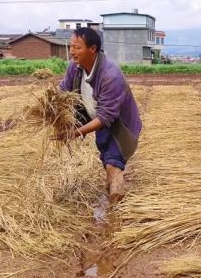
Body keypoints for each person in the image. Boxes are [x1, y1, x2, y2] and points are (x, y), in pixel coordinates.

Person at [59, 27, 142, 204]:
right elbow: (63, 91)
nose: (72, 52)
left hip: (122, 127)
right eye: (71, 47)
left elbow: (106, 117)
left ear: (93, 49)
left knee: (113, 164)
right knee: (108, 161)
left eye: (77, 47)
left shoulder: (110, 75)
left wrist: (76, 132)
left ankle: (116, 215)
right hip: (101, 123)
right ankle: (111, 201)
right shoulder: (75, 67)